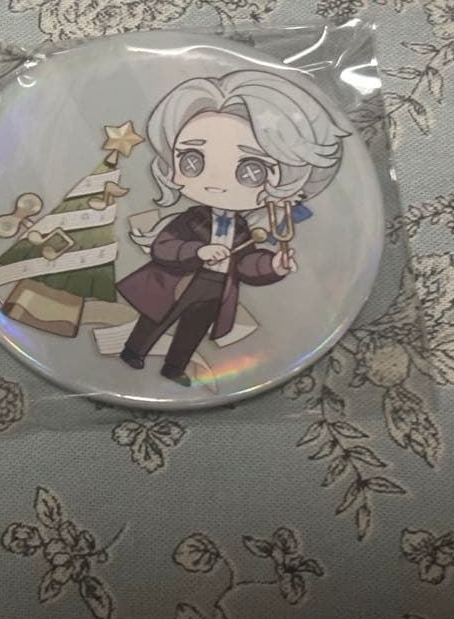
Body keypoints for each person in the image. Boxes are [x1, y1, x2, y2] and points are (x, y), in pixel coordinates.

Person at [116, 70, 348, 386]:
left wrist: (273, 266)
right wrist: (198, 251)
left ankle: (174, 367)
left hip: (217, 287)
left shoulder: (241, 226)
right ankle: (133, 351)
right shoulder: (192, 218)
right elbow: (163, 247)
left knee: (194, 328)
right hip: (182, 279)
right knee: (158, 316)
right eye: (192, 160)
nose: (215, 182)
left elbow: (246, 263)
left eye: (251, 169)